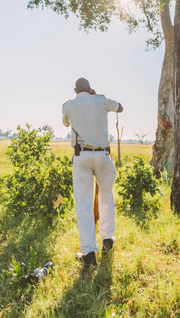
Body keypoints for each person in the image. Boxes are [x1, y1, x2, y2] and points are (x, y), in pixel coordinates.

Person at [62, 77, 123, 267]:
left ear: (75, 90)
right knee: (106, 197)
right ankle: (107, 239)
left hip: (82, 156)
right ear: (90, 89)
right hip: (103, 155)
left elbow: (65, 123)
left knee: (83, 204)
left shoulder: (68, 106)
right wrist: (96, 97)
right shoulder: (100, 100)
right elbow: (119, 107)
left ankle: (89, 252)